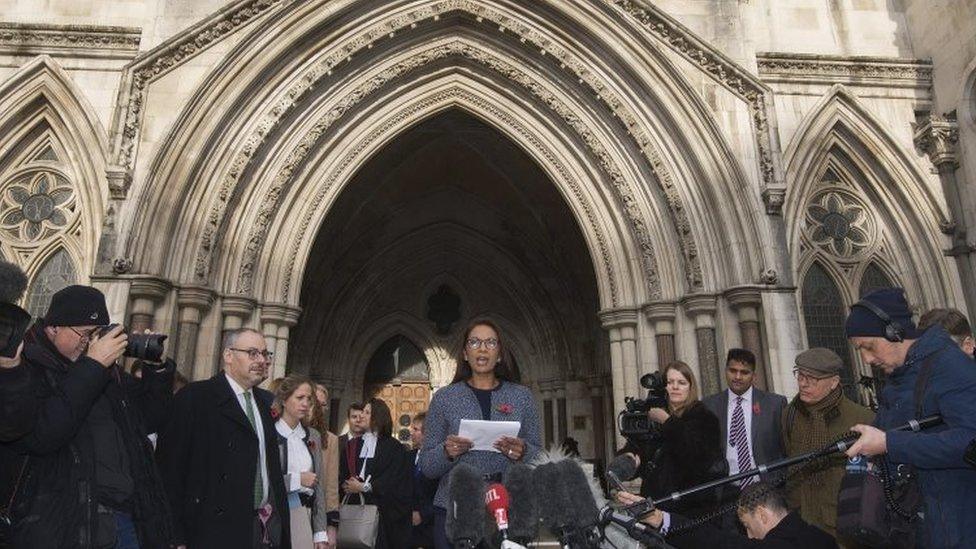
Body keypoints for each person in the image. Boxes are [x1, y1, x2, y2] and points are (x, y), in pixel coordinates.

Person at [3, 285, 176, 548]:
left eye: (96, 335)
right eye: (84, 334)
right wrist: (93, 365)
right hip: (64, 525)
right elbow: (44, 435)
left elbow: (150, 419)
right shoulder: (24, 369)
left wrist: (157, 369)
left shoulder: (106, 373)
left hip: (125, 519)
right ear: (53, 328)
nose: (89, 343)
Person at [844, 288, 976, 548]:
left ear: (895, 332)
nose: (867, 359)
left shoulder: (950, 366)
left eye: (869, 347)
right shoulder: (901, 377)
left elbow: (970, 440)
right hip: (919, 528)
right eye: (860, 350)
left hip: (958, 529)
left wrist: (889, 444)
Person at [156, 327, 291, 549]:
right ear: (228, 355)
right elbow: (170, 472)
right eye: (252, 353)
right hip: (212, 530)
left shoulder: (266, 402)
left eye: (265, 354)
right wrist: (175, 536)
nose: (262, 360)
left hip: (262, 528)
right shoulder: (195, 398)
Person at [419, 318, 542, 549]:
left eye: (490, 342)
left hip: (507, 508)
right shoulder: (444, 398)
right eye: (474, 342)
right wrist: (447, 452)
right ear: (465, 353)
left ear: (500, 354)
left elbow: (538, 456)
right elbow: (427, 466)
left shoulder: (522, 397)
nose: (483, 348)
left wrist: (523, 451)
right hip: (453, 508)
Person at [781, 347, 873, 546]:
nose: (803, 383)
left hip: (843, 526)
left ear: (833, 382)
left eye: (812, 379)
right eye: (800, 375)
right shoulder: (789, 415)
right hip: (802, 521)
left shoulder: (861, 419)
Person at [620, 361, 726, 517]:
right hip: (654, 508)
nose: (675, 387)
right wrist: (628, 459)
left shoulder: (704, 418)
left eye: (681, 382)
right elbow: (639, 452)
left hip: (691, 509)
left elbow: (697, 457)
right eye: (670, 382)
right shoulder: (651, 418)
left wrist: (667, 422)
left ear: (690, 387)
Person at [617, 481, 837, 548]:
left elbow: (718, 542)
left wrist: (659, 518)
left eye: (748, 526)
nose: (749, 536)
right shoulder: (823, 539)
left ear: (762, 515)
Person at [703, 349, 787, 483]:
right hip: (725, 489)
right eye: (732, 371)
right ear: (725, 371)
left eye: (744, 372)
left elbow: (785, 448)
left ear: (754, 376)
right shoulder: (709, 406)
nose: (737, 377)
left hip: (766, 487)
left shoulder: (774, 404)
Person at [339, 398, 411, 549]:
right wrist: (347, 485)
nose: (361, 416)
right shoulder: (352, 445)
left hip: (384, 515)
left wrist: (366, 487)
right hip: (355, 512)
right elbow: (343, 474)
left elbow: (395, 480)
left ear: (378, 415)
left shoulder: (394, 447)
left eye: (367, 412)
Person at [273, 375, 330, 548]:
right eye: (299, 398)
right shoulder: (270, 433)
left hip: (304, 515)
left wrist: (320, 533)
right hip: (275, 515)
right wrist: (298, 480)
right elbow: (263, 480)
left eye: (308, 399)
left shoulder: (313, 435)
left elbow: (319, 486)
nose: (305, 403)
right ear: (284, 400)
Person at [309, 383, 339, 547]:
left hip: (319, 518)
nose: (319, 409)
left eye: (323, 405)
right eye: (315, 403)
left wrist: (332, 527)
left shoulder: (331, 440)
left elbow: (331, 488)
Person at [408, 413, 438, 549]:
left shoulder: (438, 460)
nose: (411, 433)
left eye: (415, 430)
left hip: (430, 527)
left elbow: (440, 493)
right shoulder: (407, 457)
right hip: (407, 526)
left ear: (427, 433)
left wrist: (423, 514)